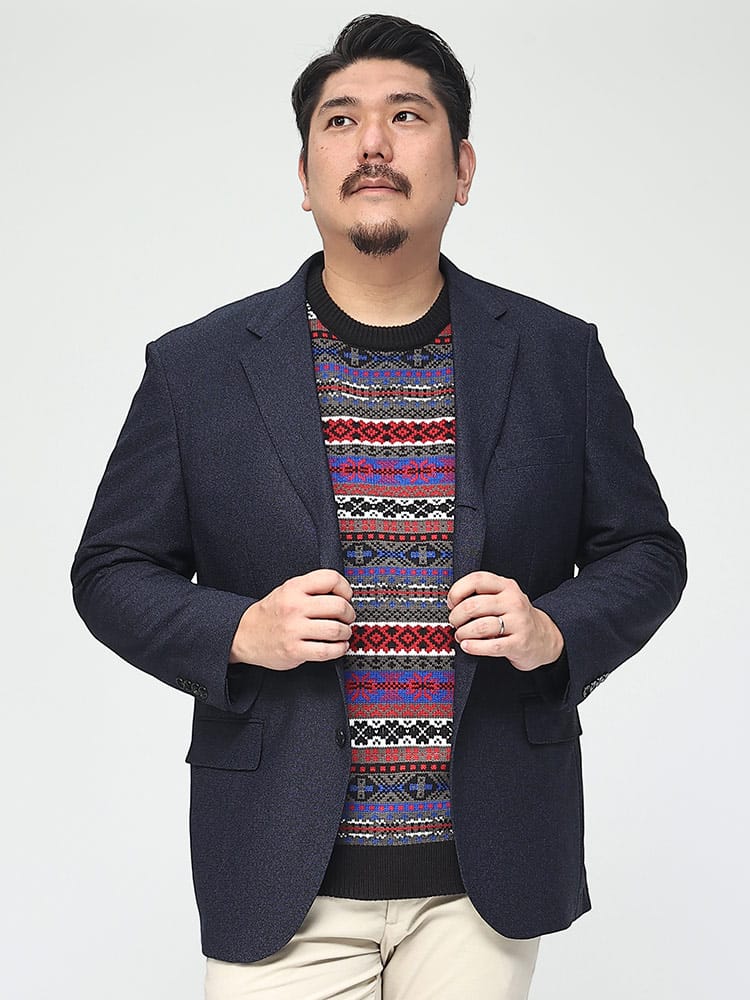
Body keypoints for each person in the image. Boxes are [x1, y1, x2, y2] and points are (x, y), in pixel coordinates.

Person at [70, 13, 687, 1000]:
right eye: (340, 119)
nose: (372, 143)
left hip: (480, 883)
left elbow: (647, 551)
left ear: (463, 166)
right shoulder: (198, 369)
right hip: (278, 874)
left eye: (406, 115)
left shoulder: (556, 356)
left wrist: (552, 629)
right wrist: (240, 630)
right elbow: (109, 571)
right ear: (304, 174)